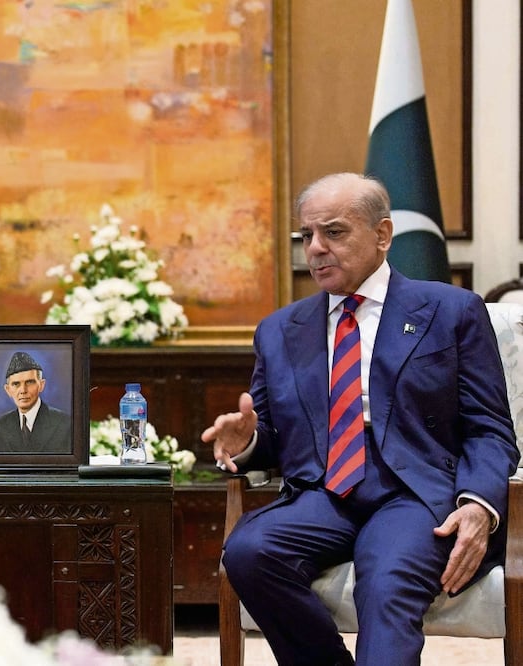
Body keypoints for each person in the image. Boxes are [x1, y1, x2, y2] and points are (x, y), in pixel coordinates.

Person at [202, 172, 519, 665]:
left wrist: (478, 504)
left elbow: (491, 429)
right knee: (248, 551)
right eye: (307, 235)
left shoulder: (450, 310)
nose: (316, 248)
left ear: (383, 235)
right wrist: (245, 442)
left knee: (388, 577)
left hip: (415, 491)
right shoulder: (280, 330)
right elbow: (272, 440)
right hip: (323, 489)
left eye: (334, 232)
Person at [0, 351, 71, 453]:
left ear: (41, 385)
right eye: (16, 384)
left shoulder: (63, 423)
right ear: (8, 390)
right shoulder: (1, 425)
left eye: (29, 382)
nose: (23, 390)